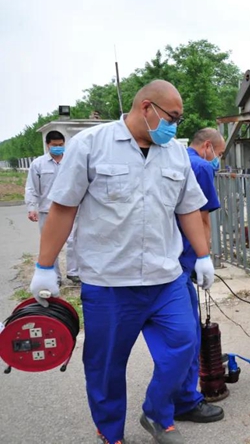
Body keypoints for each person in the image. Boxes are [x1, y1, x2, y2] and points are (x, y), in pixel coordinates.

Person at [28, 80, 216, 444]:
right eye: (172, 117)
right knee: (106, 366)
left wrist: (204, 256)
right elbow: (63, 208)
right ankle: (110, 432)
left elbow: (189, 208)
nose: (175, 125)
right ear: (146, 108)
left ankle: (157, 413)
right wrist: (44, 267)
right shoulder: (91, 145)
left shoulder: (175, 154)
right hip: (110, 282)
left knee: (184, 344)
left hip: (166, 278)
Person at [173, 127, 226, 423]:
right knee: (190, 330)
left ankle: (180, 388)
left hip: (170, 252)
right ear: (207, 146)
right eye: (219, 153)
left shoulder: (177, 158)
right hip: (185, 256)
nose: (218, 159)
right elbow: (202, 218)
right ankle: (186, 397)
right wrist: (204, 256)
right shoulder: (202, 167)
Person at [24, 131, 80, 285]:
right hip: (46, 211)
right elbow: (31, 188)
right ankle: (55, 277)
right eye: (54, 145)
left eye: (61, 145)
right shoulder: (38, 164)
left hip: (70, 209)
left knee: (73, 241)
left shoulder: (71, 162)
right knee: (50, 244)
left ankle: (74, 272)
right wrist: (31, 207)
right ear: (47, 144)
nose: (58, 147)